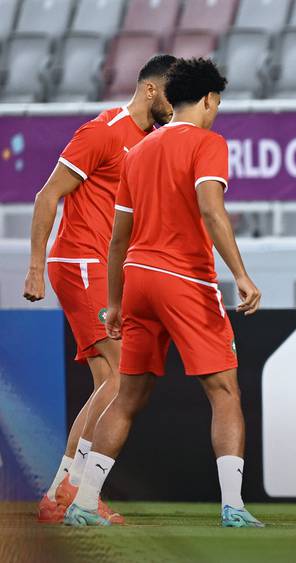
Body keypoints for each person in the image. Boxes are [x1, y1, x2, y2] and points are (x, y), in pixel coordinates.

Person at [63, 58, 264, 528]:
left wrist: (115, 302)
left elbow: (118, 238)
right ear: (210, 99)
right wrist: (241, 274)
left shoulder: (139, 150)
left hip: (137, 280)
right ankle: (233, 507)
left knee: (127, 396)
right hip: (185, 279)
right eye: (218, 104)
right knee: (224, 391)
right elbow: (211, 210)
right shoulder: (209, 143)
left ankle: (84, 502)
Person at [25, 54, 176, 525]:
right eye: (173, 96)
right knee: (121, 375)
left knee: (108, 381)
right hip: (79, 262)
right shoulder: (103, 131)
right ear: (150, 90)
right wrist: (34, 268)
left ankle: (60, 493)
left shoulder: (149, 142)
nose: (177, 106)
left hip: (105, 269)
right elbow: (47, 195)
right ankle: (76, 488)